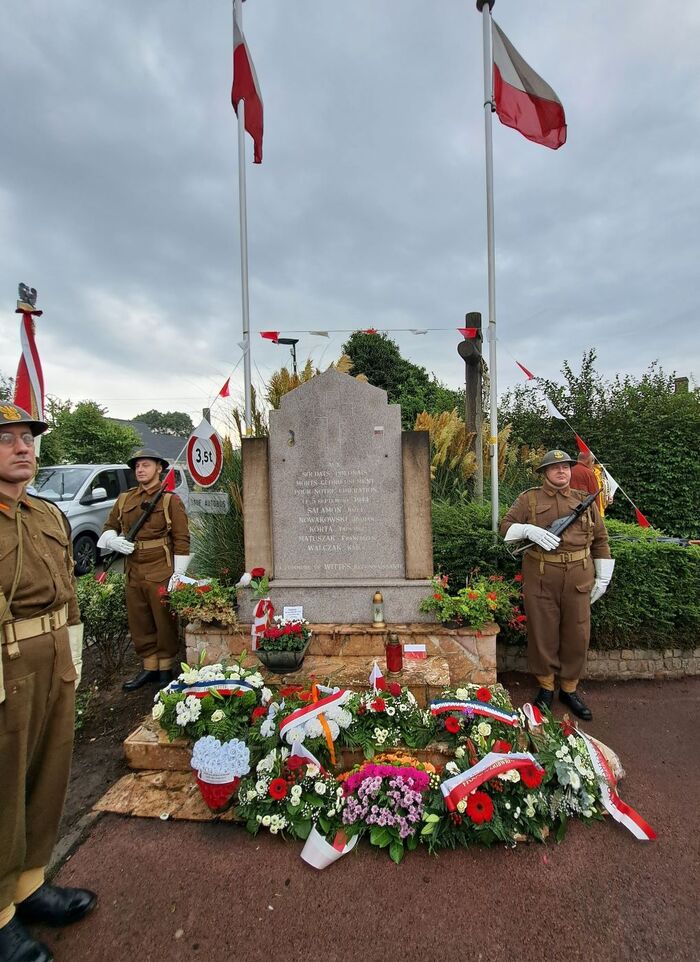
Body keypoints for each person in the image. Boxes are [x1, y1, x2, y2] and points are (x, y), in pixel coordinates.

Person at [0, 403, 96, 962]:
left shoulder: (45, 514)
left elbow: (68, 589)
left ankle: (29, 884)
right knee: (4, 782)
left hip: (55, 654)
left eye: (27, 438)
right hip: (8, 663)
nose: (23, 448)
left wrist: (73, 653)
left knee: (47, 769)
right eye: (7, 439)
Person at [500, 449, 615, 720]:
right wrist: (527, 530)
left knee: (577, 634)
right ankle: (546, 687)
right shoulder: (529, 499)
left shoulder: (584, 500)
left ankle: (569, 689)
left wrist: (603, 576)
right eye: (555, 467)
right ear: (544, 473)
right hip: (541, 575)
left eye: (565, 466)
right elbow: (505, 527)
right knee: (542, 633)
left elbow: (600, 540)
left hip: (579, 577)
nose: (561, 471)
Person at [98, 449, 190, 692]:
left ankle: (165, 668)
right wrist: (112, 541)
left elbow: (182, 539)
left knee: (164, 620)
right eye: (137, 466)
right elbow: (108, 527)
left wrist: (178, 576)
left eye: (145, 465)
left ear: (159, 468)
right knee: (139, 620)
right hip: (133, 569)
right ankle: (149, 667)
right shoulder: (125, 499)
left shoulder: (170, 500)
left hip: (161, 569)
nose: (140, 469)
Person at [570, 451, 608, 515]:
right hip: (584, 511)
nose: (593, 465)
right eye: (593, 461)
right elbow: (595, 495)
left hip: (569, 508)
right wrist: (597, 514)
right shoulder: (589, 473)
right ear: (589, 461)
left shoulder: (569, 470)